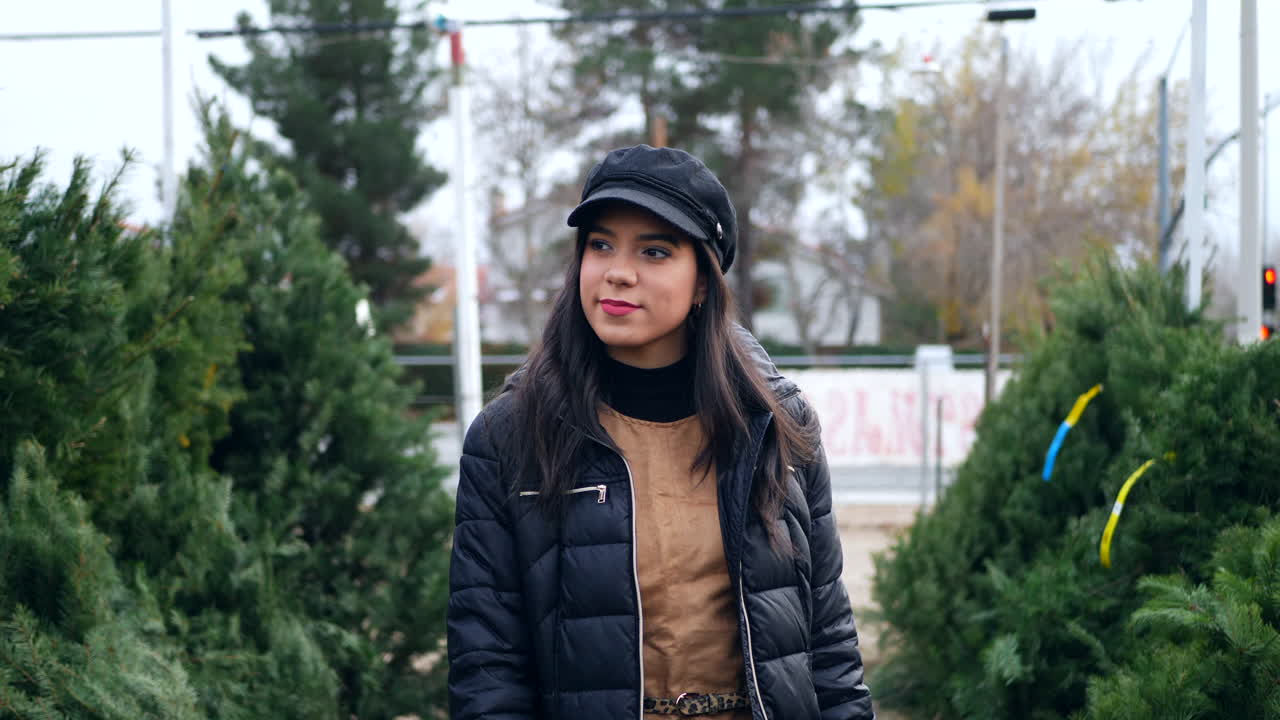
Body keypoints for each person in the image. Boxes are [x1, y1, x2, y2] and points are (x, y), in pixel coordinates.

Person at [447, 144, 874, 720]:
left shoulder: (777, 424)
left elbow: (829, 650)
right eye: (601, 244)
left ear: (703, 281)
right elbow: (488, 673)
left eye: (654, 250)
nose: (618, 272)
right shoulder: (510, 436)